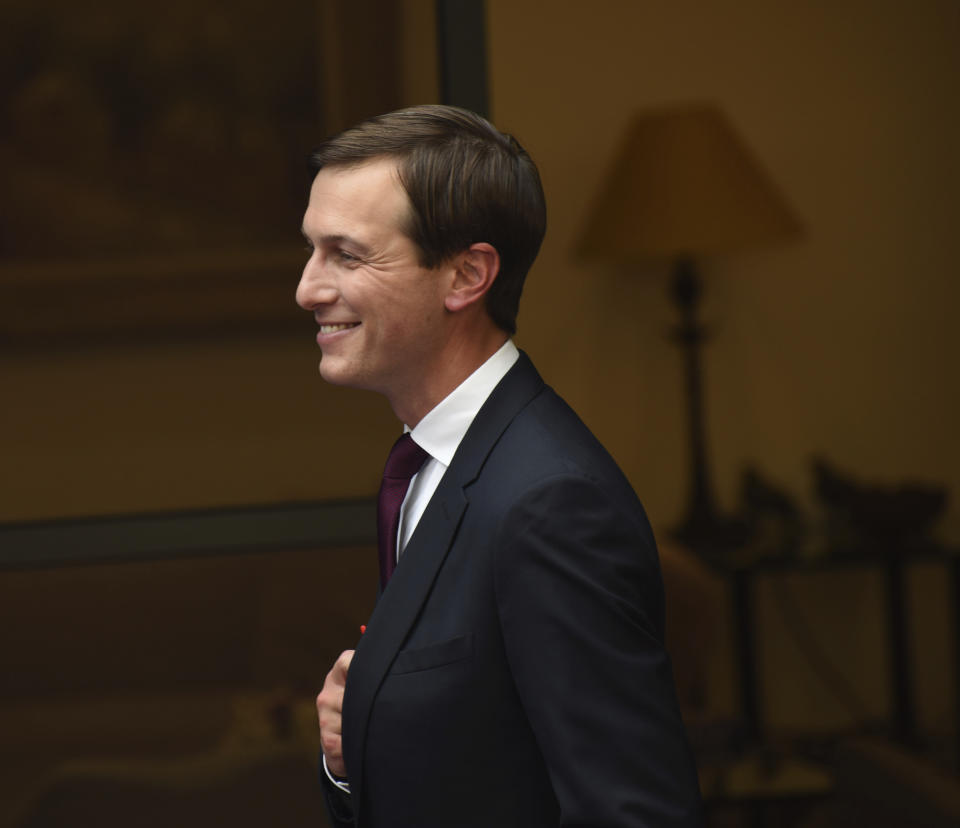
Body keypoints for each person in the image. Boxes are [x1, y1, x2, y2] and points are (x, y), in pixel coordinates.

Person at [296, 105, 702, 828]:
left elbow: (636, 812)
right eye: (311, 250)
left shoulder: (552, 503)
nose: (308, 288)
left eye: (347, 255)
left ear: (466, 275)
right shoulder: (428, 464)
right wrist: (352, 747)